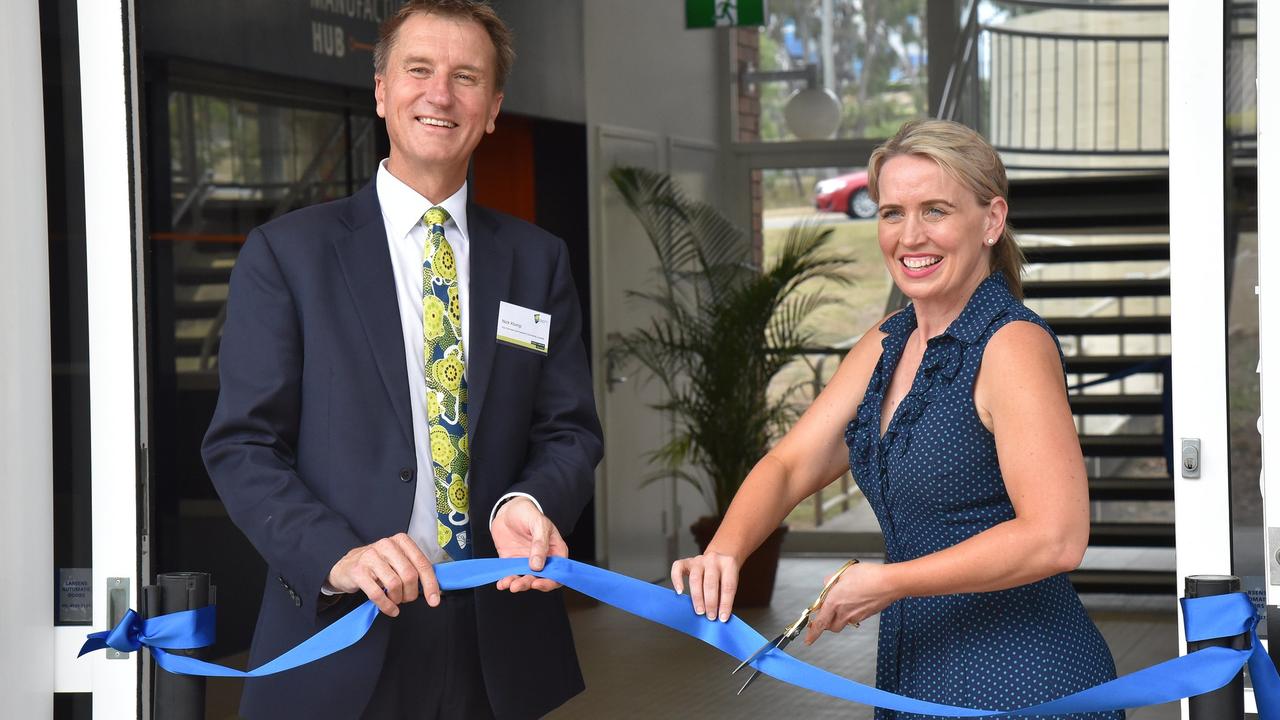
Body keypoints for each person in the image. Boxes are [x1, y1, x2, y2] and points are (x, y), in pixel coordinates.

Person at [201, 2, 602, 718]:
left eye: (466, 77)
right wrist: (338, 556)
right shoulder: (288, 255)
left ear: (493, 108)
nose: (440, 94)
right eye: (419, 70)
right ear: (382, 90)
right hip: (341, 629)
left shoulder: (539, 261)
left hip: (497, 645)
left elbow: (569, 430)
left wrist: (528, 502)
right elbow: (243, 446)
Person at [671, 119, 1122, 719]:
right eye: (891, 213)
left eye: (935, 210)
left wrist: (887, 582)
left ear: (991, 221)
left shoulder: (1011, 344)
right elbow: (790, 463)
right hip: (916, 672)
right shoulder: (887, 340)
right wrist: (724, 551)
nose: (910, 236)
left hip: (1023, 678)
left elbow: (1056, 538)